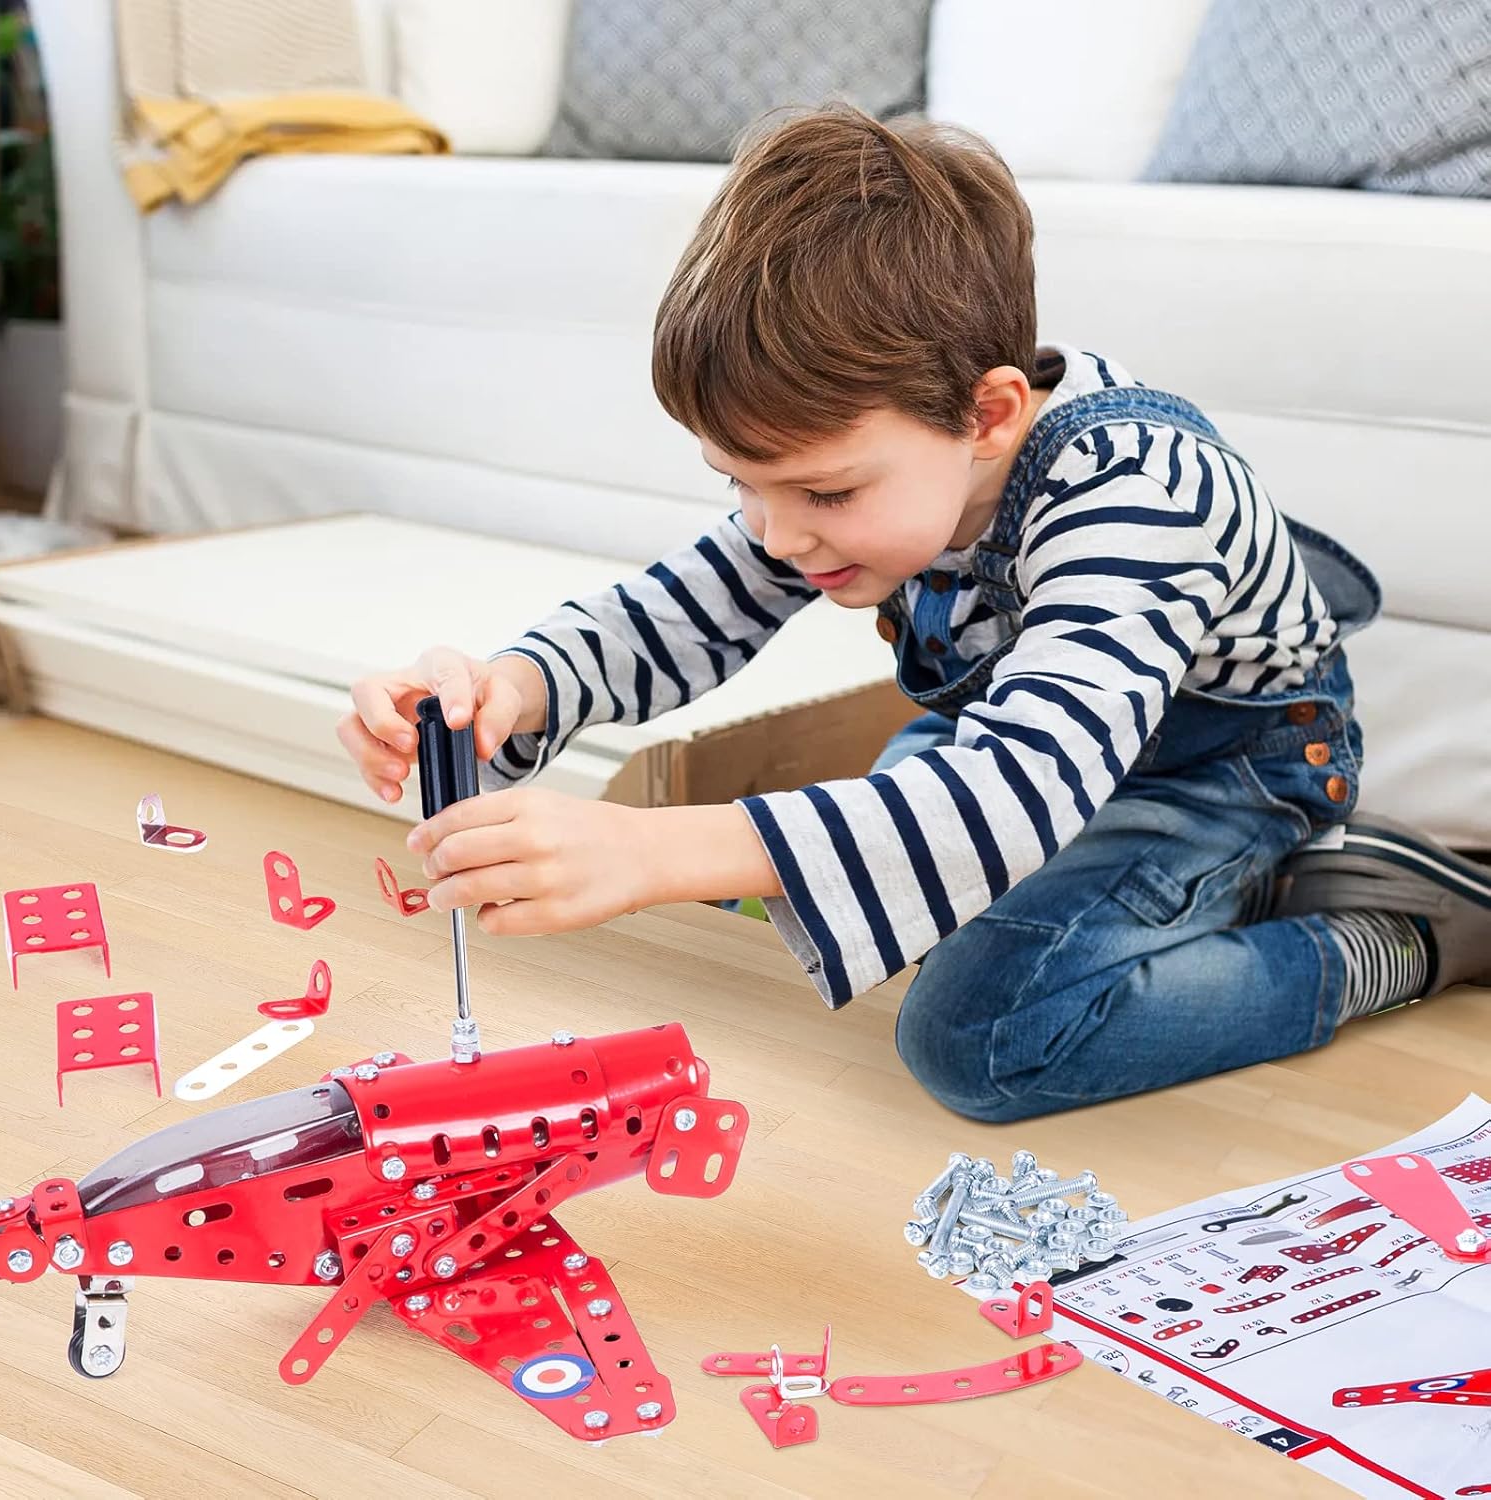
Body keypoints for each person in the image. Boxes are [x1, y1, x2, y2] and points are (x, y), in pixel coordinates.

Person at [338, 105, 1490, 1123]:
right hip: (1036, 740)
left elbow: (1018, 786)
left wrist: (654, 848)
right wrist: (513, 690)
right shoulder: (873, 462)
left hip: (1215, 774)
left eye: (824, 494)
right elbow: (677, 612)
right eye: (740, 485)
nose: (776, 535)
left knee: (978, 1037)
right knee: (893, 874)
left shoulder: (1139, 494)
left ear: (989, 416)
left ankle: (1376, 939)